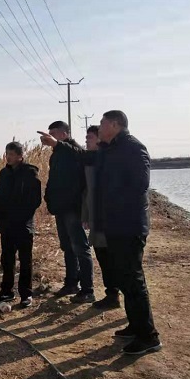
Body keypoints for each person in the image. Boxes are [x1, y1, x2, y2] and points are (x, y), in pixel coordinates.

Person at [95, 110, 162, 355]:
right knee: (124, 278)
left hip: (129, 225)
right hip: (116, 224)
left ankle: (149, 337)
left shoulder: (134, 148)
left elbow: (140, 184)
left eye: (102, 123)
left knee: (133, 281)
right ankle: (135, 326)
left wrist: (114, 200)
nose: (99, 128)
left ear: (115, 125)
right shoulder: (110, 149)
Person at [40, 121, 95, 303]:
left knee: (80, 248)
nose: (49, 138)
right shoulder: (57, 154)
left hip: (72, 208)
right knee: (67, 247)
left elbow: (80, 155)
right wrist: (49, 199)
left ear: (64, 134)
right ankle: (71, 283)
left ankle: (87, 289)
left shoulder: (74, 150)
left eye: (53, 134)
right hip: (61, 208)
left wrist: (57, 144)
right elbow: (54, 179)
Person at [0, 141, 42, 308]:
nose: (8, 157)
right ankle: (6, 291)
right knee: (7, 259)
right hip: (7, 224)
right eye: (7, 154)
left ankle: (26, 294)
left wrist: (22, 217)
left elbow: (35, 200)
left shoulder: (30, 172)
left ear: (20, 156)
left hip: (23, 224)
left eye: (11, 154)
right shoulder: (4, 173)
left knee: (25, 260)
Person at [82, 125, 120, 310]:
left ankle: (117, 294)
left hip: (110, 219)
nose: (86, 141)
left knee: (114, 260)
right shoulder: (90, 160)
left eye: (89, 137)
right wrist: (86, 215)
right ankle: (112, 294)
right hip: (97, 219)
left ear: (99, 139)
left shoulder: (108, 160)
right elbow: (87, 192)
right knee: (103, 258)